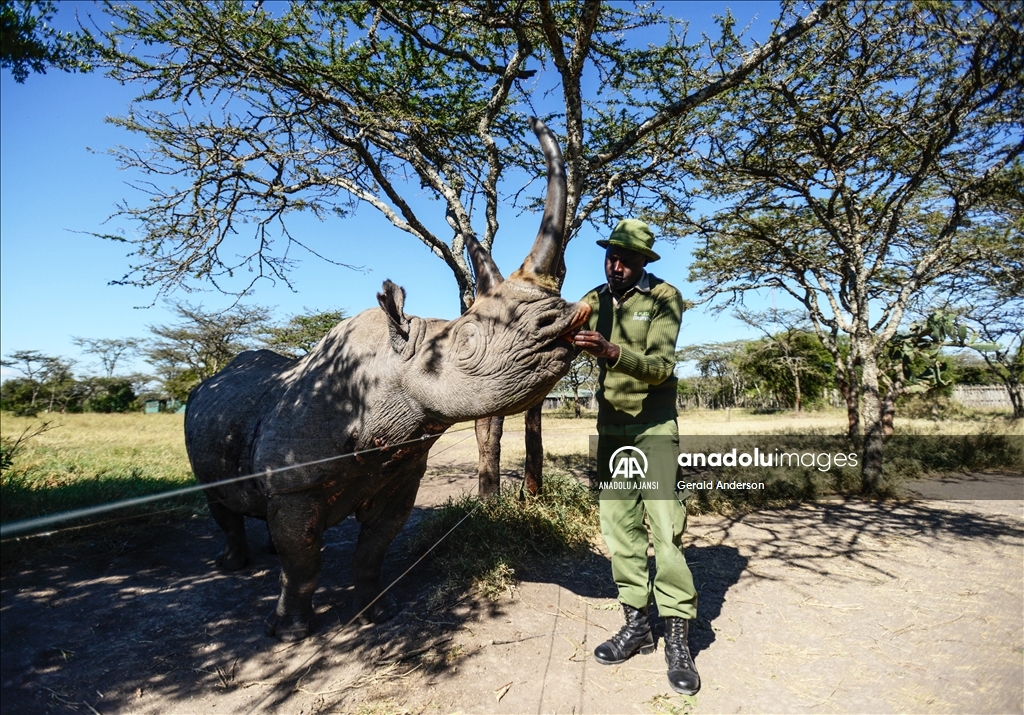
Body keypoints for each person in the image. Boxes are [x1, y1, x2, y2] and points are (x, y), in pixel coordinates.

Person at [573, 218, 700, 695]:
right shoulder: (594, 298)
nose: (616, 265)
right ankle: (636, 625)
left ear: (644, 261)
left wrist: (610, 352)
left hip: (654, 429)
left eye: (626, 259)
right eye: (611, 256)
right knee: (618, 527)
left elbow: (662, 368)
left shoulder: (665, 297)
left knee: (665, 529)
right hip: (612, 429)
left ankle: (678, 639)